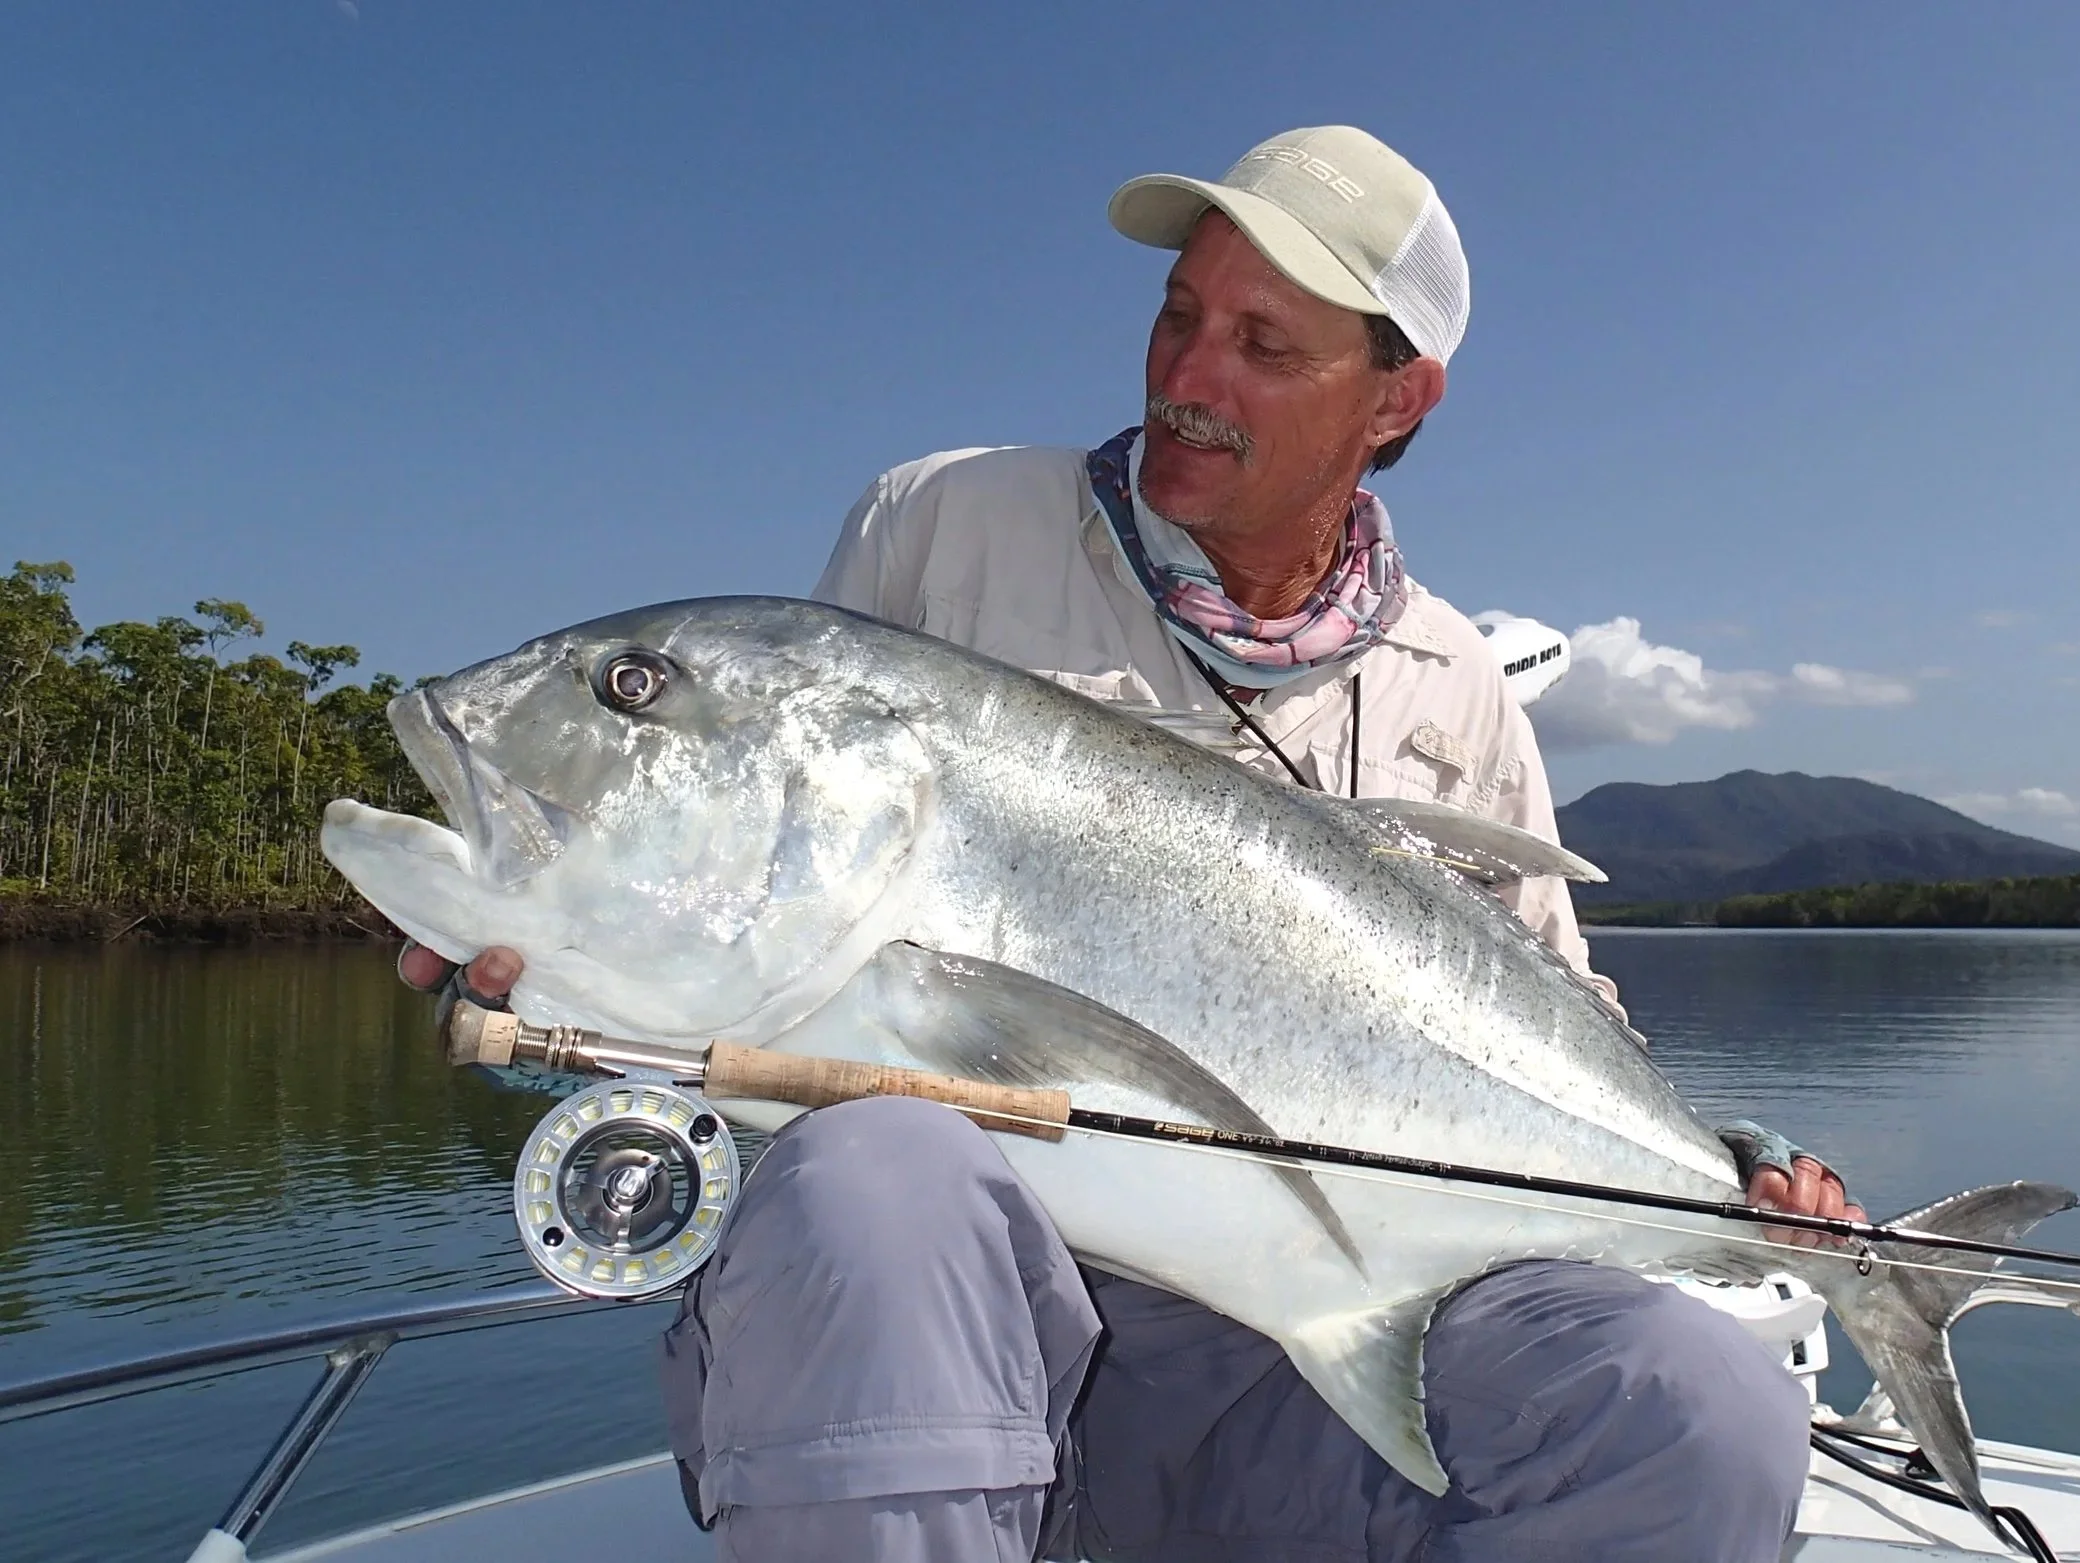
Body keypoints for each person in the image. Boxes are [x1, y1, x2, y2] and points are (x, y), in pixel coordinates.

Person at [401, 126, 1861, 1562]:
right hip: (963, 1320)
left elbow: (1551, 1018)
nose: (1188, 376)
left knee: (1698, 1400)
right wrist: (571, 926)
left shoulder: (1456, 682)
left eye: (1266, 348)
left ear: (1396, 401)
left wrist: (1728, 1169)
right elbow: (772, 910)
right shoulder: (945, 525)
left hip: (1314, 1345)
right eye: (1179, 315)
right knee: (877, 1178)